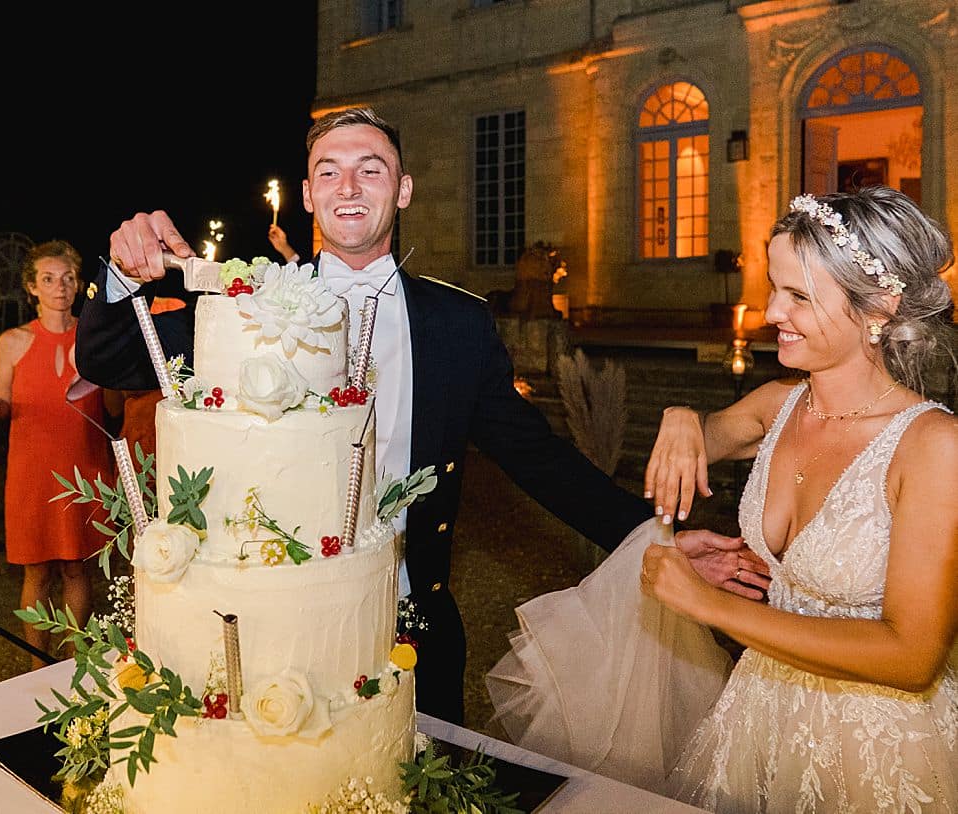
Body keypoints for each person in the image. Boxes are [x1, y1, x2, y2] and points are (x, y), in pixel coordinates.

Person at [73, 106, 768, 725]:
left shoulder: (458, 324)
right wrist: (122, 275)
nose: (349, 187)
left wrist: (651, 537)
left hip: (415, 625)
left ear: (403, 190)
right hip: (265, 626)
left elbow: (539, 458)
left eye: (371, 170)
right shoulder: (246, 301)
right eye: (330, 172)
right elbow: (110, 359)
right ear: (308, 192)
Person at [488, 186, 957, 811]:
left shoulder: (932, 446)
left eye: (798, 297)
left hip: (877, 741)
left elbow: (912, 656)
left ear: (880, 308)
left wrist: (708, 606)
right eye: (773, 287)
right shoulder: (776, 406)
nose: (769, 313)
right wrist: (680, 415)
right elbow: (701, 443)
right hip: (758, 713)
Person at [0, 240, 118, 670]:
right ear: (32, 287)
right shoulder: (12, 341)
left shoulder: (94, 339)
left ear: (80, 284)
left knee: (76, 569)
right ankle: (35, 665)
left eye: (68, 278)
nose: (60, 287)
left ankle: (73, 659)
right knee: (36, 572)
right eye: (49, 279)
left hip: (84, 466)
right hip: (32, 469)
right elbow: (3, 402)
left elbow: (113, 409)